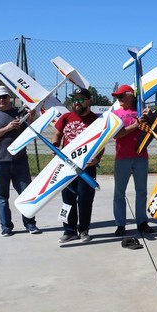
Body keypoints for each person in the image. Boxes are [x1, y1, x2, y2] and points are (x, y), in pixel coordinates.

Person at [0, 85, 40, 236]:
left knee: (26, 195)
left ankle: (30, 224)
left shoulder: (19, 113)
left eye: (4, 97)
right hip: (0, 162)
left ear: (9, 98)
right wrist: (6, 128)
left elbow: (31, 131)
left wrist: (31, 117)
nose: (1, 100)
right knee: (2, 197)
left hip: (20, 161)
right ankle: (6, 228)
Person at [52, 87, 102, 243]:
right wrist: (55, 145)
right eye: (74, 99)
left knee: (85, 200)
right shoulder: (66, 117)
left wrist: (97, 159)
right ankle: (69, 231)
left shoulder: (97, 120)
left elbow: (102, 143)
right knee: (68, 199)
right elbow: (58, 134)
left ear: (88, 101)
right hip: (67, 166)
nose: (76, 103)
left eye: (80, 99)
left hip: (86, 166)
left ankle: (84, 230)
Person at [111, 84, 154, 236]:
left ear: (130, 95)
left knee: (141, 191)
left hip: (140, 156)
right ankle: (120, 224)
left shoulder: (141, 111)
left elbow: (152, 130)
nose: (119, 99)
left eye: (121, 96)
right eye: (117, 96)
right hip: (122, 157)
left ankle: (142, 222)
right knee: (119, 192)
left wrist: (150, 116)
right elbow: (117, 134)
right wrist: (136, 124)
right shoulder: (115, 113)